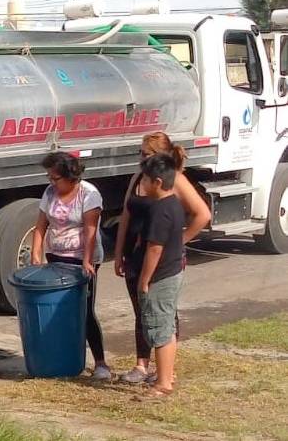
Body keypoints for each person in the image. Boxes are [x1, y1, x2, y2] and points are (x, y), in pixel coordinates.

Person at [114, 132, 210, 384]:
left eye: (147, 154)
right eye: (141, 153)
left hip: (160, 258)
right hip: (135, 253)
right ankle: (141, 365)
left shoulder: (173, 180)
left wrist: (179, 241)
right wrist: (118, 251)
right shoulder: (139, 177)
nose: (142, 159)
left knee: (163, 311)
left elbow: (202, 214)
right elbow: (126, 214)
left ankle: (165, 371)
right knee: (141, 311)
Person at [32, 151, 111, 380]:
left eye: (55, 178)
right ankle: (61, 357)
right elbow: (40, 226)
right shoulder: (49, 193)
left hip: (81, 259)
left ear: (71, 177)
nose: (51, 183)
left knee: (84, 311)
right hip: (56, 255)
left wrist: (87, 261)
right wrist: (36, 255)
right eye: (49, 178)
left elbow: (90, 230)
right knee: (58, 311)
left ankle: (100, 363)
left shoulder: (89, 194)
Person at [135, 154, 186, 398]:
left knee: (160, 327)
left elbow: (154, 248)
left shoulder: (160, 211)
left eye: (144, 178)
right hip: (173, 271)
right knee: (166, 325)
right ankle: (167, 374)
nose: (141, 182)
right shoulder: (174, 202)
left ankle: (164, 382)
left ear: (156, 182)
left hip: (161, 276)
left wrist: (144, 279)